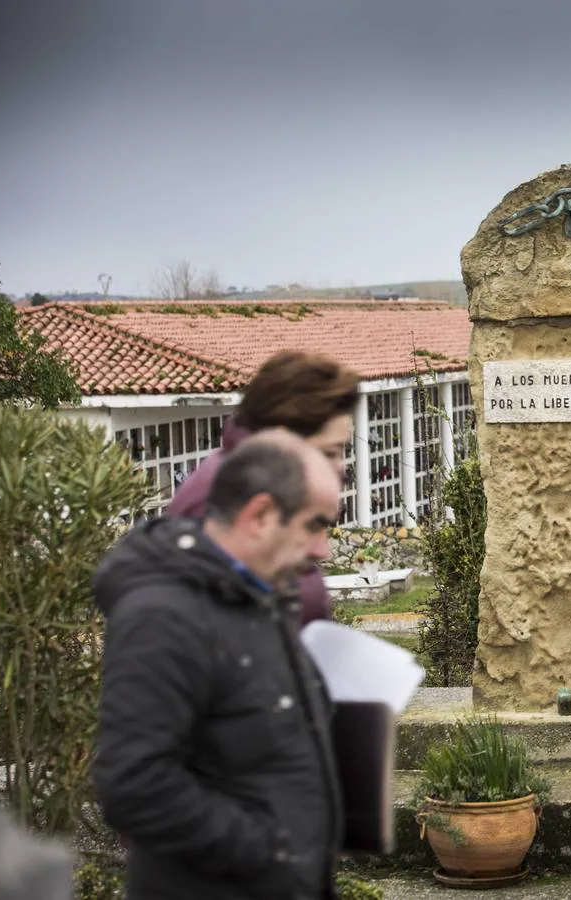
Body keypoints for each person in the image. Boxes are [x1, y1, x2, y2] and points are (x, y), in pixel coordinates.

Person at [92, 430, 344, 900]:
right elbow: (135, 785)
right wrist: (269, 853)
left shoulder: (254, 594)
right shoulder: (162, 616)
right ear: (261, 515)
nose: (321, 549)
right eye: (314, 524)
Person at [167, 350, 361, 626]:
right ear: (285, 437)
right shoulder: (220, 502)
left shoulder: (244, 476)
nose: (340, 469)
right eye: (330, 452)